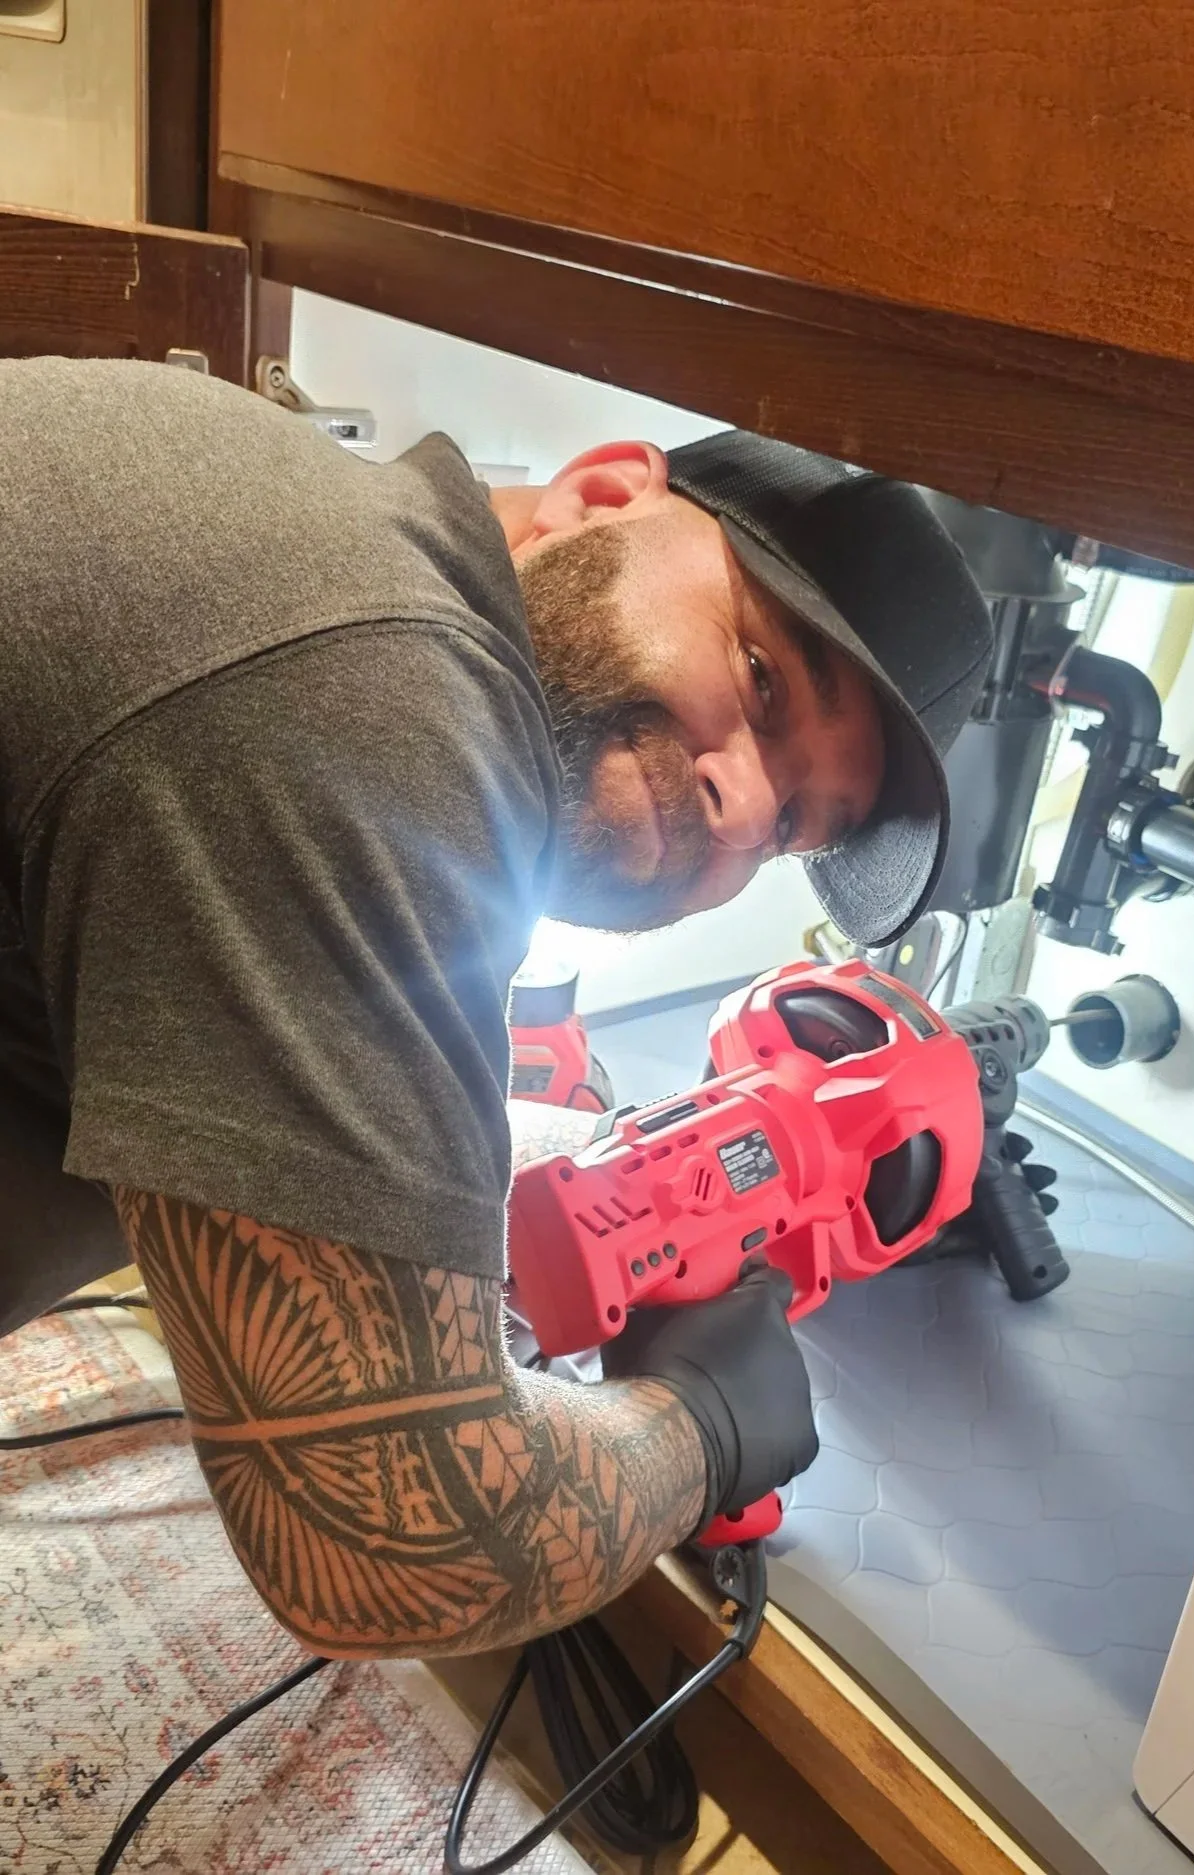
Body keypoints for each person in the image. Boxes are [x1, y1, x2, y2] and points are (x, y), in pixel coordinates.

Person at [0, 357, 991, 1658]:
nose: (743, 808)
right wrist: (702, 1421)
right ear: (603, 491)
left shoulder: (316, 546)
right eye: (758, 676)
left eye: (795, 822)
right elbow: (394, 1546)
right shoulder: (367, 679)